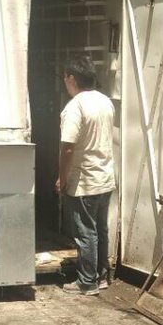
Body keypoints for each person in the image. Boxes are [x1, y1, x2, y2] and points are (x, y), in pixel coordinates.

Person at [55, 56, 115, 295]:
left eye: (65, 77)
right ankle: (101, 276)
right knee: (100, 230)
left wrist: (62, 178)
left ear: (71, 78)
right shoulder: (105, 101)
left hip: (85, 181)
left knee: (85, 233)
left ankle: (87, 282)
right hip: (105, 178)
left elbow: (68, 148)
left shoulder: (75, 107)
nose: (64, 81)